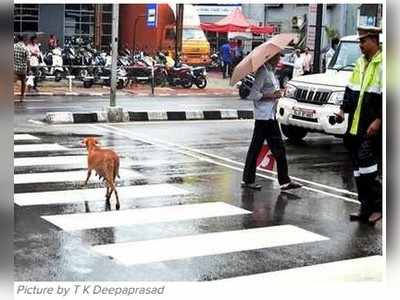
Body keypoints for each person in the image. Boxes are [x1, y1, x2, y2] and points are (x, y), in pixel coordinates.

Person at [334, 26, 382, 225]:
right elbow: (351, 90)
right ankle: (365, 207)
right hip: (355, 126)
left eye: (363, 42)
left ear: (374, 40)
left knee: (368, 169)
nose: (360, 46)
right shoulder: (359, 64)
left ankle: (378, 207)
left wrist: (379, 120)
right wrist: (342, 110)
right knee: (358, 171)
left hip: (372, 127)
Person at [241, 52, 302, 191]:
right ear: (270, 57)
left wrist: (278, 93)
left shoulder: (271, 72)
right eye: (277, 57)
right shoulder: (263, 72)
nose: (279, 59)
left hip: (271, 116)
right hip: (263, 117)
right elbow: (254, 94)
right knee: (256, 149)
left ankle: (284, 181)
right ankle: (248, 180)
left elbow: (272, 92)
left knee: (279, 149)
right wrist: (270, 96)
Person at [14, 34, 30, 102]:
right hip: (23, 69)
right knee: (23, 82)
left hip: (15, 68)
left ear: (17, 39)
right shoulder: (25, 48)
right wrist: (29, 69)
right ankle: (22, 97)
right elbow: (28, 60)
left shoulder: (14, 46)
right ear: (22, 39)